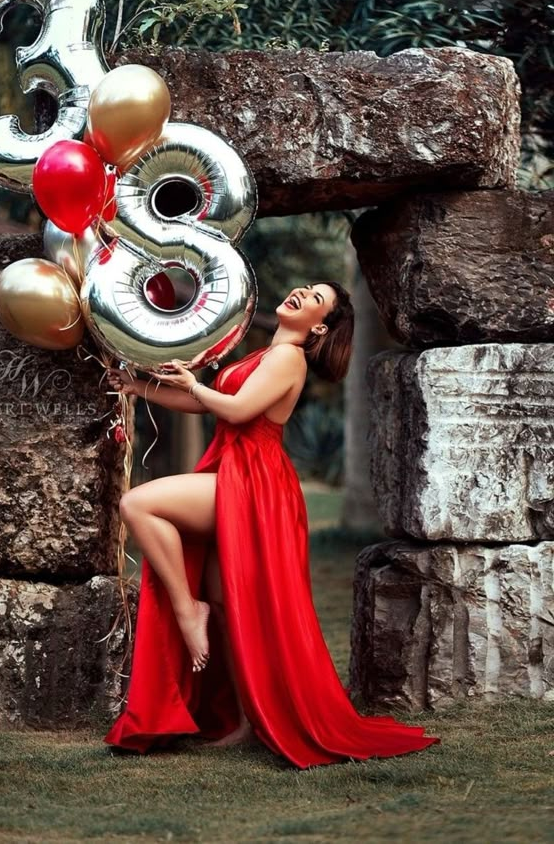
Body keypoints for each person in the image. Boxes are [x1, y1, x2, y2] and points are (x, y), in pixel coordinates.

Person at [102, 282, 440, 769]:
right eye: (306, 287)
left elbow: (238, 411)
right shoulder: (268, 352)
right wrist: (141, 387)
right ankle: (245, 721)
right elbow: (207, 405)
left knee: (139, 505)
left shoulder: (290, 360)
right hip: (237, 472)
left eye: (316, 298)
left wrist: (192, 383)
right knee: (232, 604)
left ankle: (184, 610)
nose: (303, 292)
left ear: (319, 327)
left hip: (254, 480)